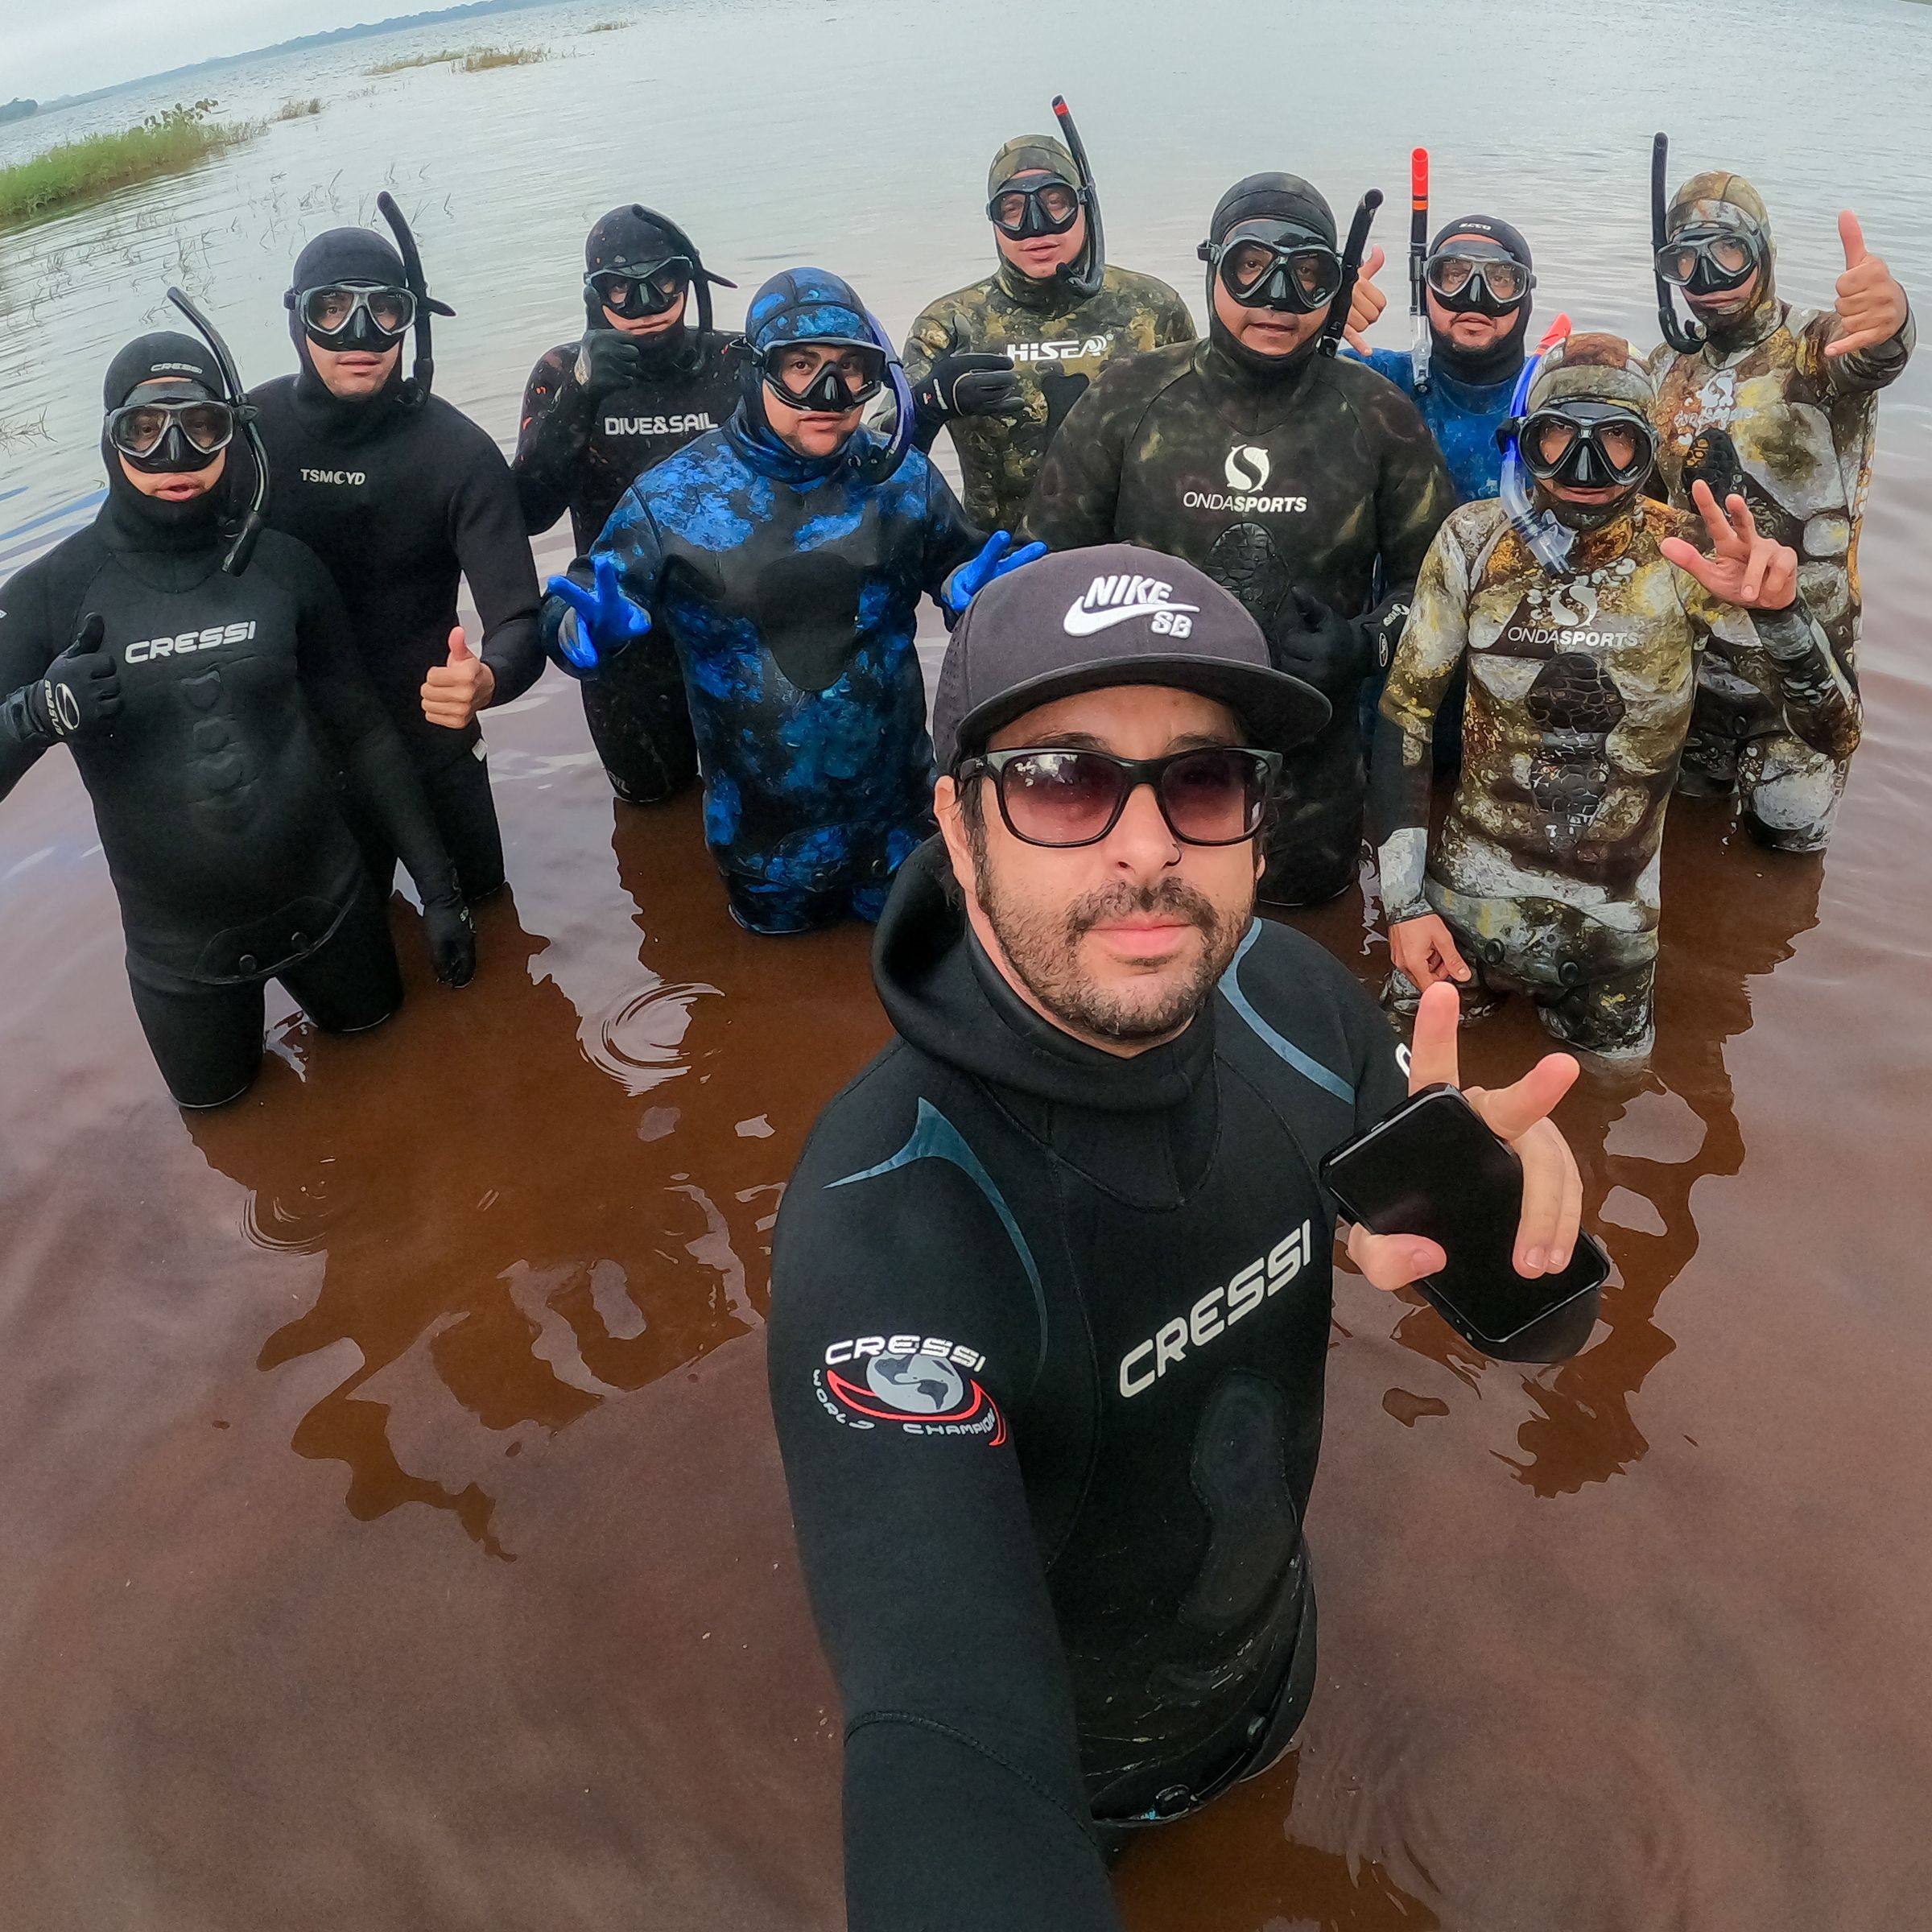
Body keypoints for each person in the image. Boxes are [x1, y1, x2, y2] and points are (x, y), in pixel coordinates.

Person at [766, 543, 1588, 1926]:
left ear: (1255, 823)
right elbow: (939, 1736)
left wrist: (1497, 1218)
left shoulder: (1297, 1003)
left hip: (1277, 1670)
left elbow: (1553, 1333)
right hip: (1071, 1779)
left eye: (1200, 780)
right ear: (958, 828)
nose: (1146, 847)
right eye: (1060, 779)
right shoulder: (890, 1225)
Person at [0, 331, 475, 1110]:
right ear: (110, 437)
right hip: (181, 958)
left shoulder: (283, 567)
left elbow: (364, 735)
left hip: (332, 909)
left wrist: (441, 893)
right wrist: (37, 712)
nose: (177, 454)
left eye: (202, 427)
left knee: (407, 1099)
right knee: (224, 1134)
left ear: (234, 431)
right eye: (146, 431)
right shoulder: (52, 595)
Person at [1373, 333, 1860, 1059]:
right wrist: (1402, 907)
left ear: (1649, 449)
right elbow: (1405, 715)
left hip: (1613, 940)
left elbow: (1831, 739)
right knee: (1399, 1099)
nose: (1585, 470)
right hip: (1457, 917)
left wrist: (1782, 615)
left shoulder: (1689, 557)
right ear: (1523, 444)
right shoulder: (1472, 542)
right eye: (1557, 439)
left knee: (1611, 1107)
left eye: (1617, 444)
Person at [540, 267, 1039, 935]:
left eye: (851, 369)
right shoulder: (673, 499)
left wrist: (968, 594)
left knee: (911, 974)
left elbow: (954, 565)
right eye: (801, 365)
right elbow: (573, 607)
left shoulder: (902, 480)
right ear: (754, 369)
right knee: (779, 981)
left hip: (900, 820)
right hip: (763, 842)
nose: (828, 394)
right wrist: (580, 633)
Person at [1024, 172, 1456, 907]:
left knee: (1301, 956)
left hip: (1311, 779)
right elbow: (1050, 573)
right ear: (1213, 265)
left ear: (1337, 286)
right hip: (1143, 769)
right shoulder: (1128, 400)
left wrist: (1365, 645)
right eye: (1250, 267)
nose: (1276, 299)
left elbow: (1441, 586)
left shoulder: (1378, 415)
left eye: (1308, 276)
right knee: (1143, 941)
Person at [250, 211, 544, 899]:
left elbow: (520, 620)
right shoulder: (245, 441)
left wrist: (486, 681)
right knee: (358, 969)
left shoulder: (457, 454)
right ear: (297, 321)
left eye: (385, 310)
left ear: (410, 321)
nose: (362, 335)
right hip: (300, 750)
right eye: (333, 309)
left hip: (431, 733)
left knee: (491, 936)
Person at [1646, 167, 1912, 852]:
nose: (1707, 276)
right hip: (1696, 672)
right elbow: (1644, 506)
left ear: (1763, 251)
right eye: (1685, 259)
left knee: (1786, 848)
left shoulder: (1817, 348)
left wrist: (1893, 318)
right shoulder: (1663, 373)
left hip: (1803, 672)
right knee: (1696, 855)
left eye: (1727, 252)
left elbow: (1876, 353)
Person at [512, 204, 740, 805]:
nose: (646, 304)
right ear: (594, 296)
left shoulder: (736, 364)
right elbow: (529, 513)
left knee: (759, 801)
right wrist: (579, 399)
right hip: (624, 635)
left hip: (735, 627)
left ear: (689, 278)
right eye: (620, 288)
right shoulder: (562, 372)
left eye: (663, 281)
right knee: (651, 806)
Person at [902, 118, 1195, 535]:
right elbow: (877, 460)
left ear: (1085, 207)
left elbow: (1211, 438)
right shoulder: (949, 323)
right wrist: (929, 405)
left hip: (1137, 564)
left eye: (1055, 202)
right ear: (994, 222)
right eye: (1013, 209)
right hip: (1001, 561)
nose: (1035, 226)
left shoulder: (1151, 307)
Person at [1356, 213, 1539, 505]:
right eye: (1453, 275)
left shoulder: (1553, 391)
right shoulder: (1374, 381)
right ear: (1425, 289)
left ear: (1524, 294)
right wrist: (1317, 317)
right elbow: (1270, 388)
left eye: (1501, 279)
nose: (1475, 297)